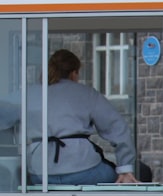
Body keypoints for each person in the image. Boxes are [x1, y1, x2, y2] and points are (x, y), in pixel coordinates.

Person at [28, 50, 138, 185]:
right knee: (131, 175)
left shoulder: (31, 94)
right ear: (74, 73)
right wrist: (125, 168)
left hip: (39, 173)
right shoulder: (87, 94)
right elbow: (117, 128)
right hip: (84, 170)